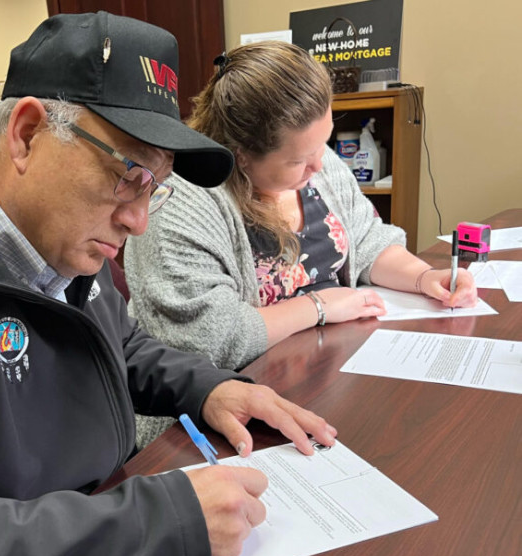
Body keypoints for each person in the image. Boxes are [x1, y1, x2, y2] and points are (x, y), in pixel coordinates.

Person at [0, 13, 339, 556]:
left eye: (154, 187)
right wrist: (157, 525)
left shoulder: (54, 233)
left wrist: (211, 389)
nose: (139, 221)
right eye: (127, 175)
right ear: (27, 134)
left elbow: (121, 346)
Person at [124, 41, 477, 444]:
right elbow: (213, 339)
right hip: (209, 414)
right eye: (298, 160)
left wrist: (423, 277)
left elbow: (367, 237)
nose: (319, 166)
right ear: (241, 155)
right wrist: (319, 306)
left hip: (325, 374)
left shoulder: (313, 161)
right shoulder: (182, 200)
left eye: (321, 145)